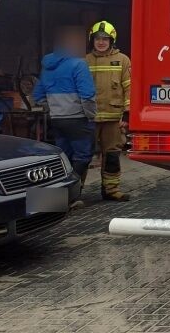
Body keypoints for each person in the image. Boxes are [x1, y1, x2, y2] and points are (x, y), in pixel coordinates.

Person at [32, 26, 96, 208]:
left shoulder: (48, 66)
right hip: (77, 119)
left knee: (64, 157)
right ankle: (70, 198)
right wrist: (90, 116)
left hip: (57, 119)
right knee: (83, 156)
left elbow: (37, 95)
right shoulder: (79, 64)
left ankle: (48, 202)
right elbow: (88, 95)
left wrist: (55, 108)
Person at [85, 20, 132, 202]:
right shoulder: (85, 60)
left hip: (113, 118)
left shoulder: (123, 60)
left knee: (112, 154)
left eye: (105, 39)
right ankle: (75, 192)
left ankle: (111, 190)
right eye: (97, 39)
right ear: (92, 40)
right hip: (89, 117)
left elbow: (130, 88)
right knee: (83, 155)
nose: (101, 42)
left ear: (112, 40)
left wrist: (127, 113)